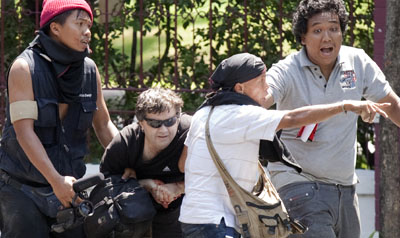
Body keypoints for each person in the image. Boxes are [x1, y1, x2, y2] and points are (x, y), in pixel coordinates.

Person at [178, 53, 390, 238]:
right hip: (217, 222)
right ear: (240, 88)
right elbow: (292, 118)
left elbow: (183, 163)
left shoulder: (203, 114)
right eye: (261, 80)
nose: (267, 86)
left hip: (193, 218)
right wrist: (345, 105)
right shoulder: (240, 114)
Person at [265, 0, 400, 237]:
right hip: (298, 182)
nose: (327, 37)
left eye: (334, 28)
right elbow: (261, 97)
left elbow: (391, 105)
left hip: (345, 188)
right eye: (317, 30)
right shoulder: (287, 70)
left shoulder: (357, 62)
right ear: (303, 38)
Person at [0, 0, 118, 237]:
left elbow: (104, 125)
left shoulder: (89, 70)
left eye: (89, 25)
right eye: (80, 23)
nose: (88, 32)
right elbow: (24, 132)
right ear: (55, 27)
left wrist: (129, 160)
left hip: (69, 190)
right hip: (21, 189)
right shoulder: (24, 68)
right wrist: (55, 181)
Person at [100, 87, 191, 238]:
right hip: (135, 216)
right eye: (155, 124)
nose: (164, 130)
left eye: (170, 121)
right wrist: (144, 185)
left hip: (184, 212)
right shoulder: (126, 143)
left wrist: (178, 187)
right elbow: (106, 187)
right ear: (141, 123)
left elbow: (215, 177)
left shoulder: (191, 133)